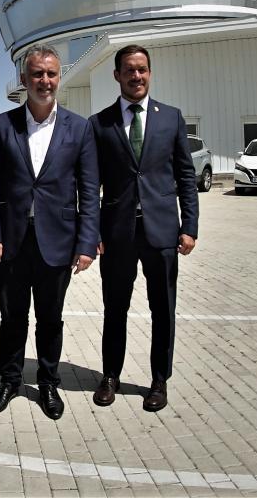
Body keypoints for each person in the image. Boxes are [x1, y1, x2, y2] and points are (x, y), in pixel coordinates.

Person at [0, 45, 99, 420]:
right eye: (37, 75)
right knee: (12, 316)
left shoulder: (79, 128)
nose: (44, 81)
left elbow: (89, 190)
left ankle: (48, 382)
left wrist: (86, 244)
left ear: (58, 78)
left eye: (50, 74)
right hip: (13, 240)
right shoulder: (3, 125)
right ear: (24, 80)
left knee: (50, 318)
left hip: (58, 241)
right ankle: (10, 381)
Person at [88, 44, 199, 412]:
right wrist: (93, 232)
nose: (137, 76)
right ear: (117, 75)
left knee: (163, 309)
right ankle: (109, 376)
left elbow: (186, 176)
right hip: (117, 234)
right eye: (129, 70)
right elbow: (90, 185)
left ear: (149, 73)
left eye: (142, 69)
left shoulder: (171, 117)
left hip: (163, 232)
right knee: (114, 309)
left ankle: (158, 380)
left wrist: (190, 226)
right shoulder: (99, 123)